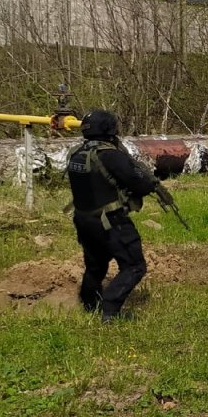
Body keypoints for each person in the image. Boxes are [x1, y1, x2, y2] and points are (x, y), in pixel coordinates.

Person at [66, 109, 161, 322]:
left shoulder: (76, 153)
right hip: (110, 221)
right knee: (135, 265)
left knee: (95, 265)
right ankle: (109, 309)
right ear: (110, 129)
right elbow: (140, 182)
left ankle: (89, 304)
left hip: (83, 220)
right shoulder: (111, 155)